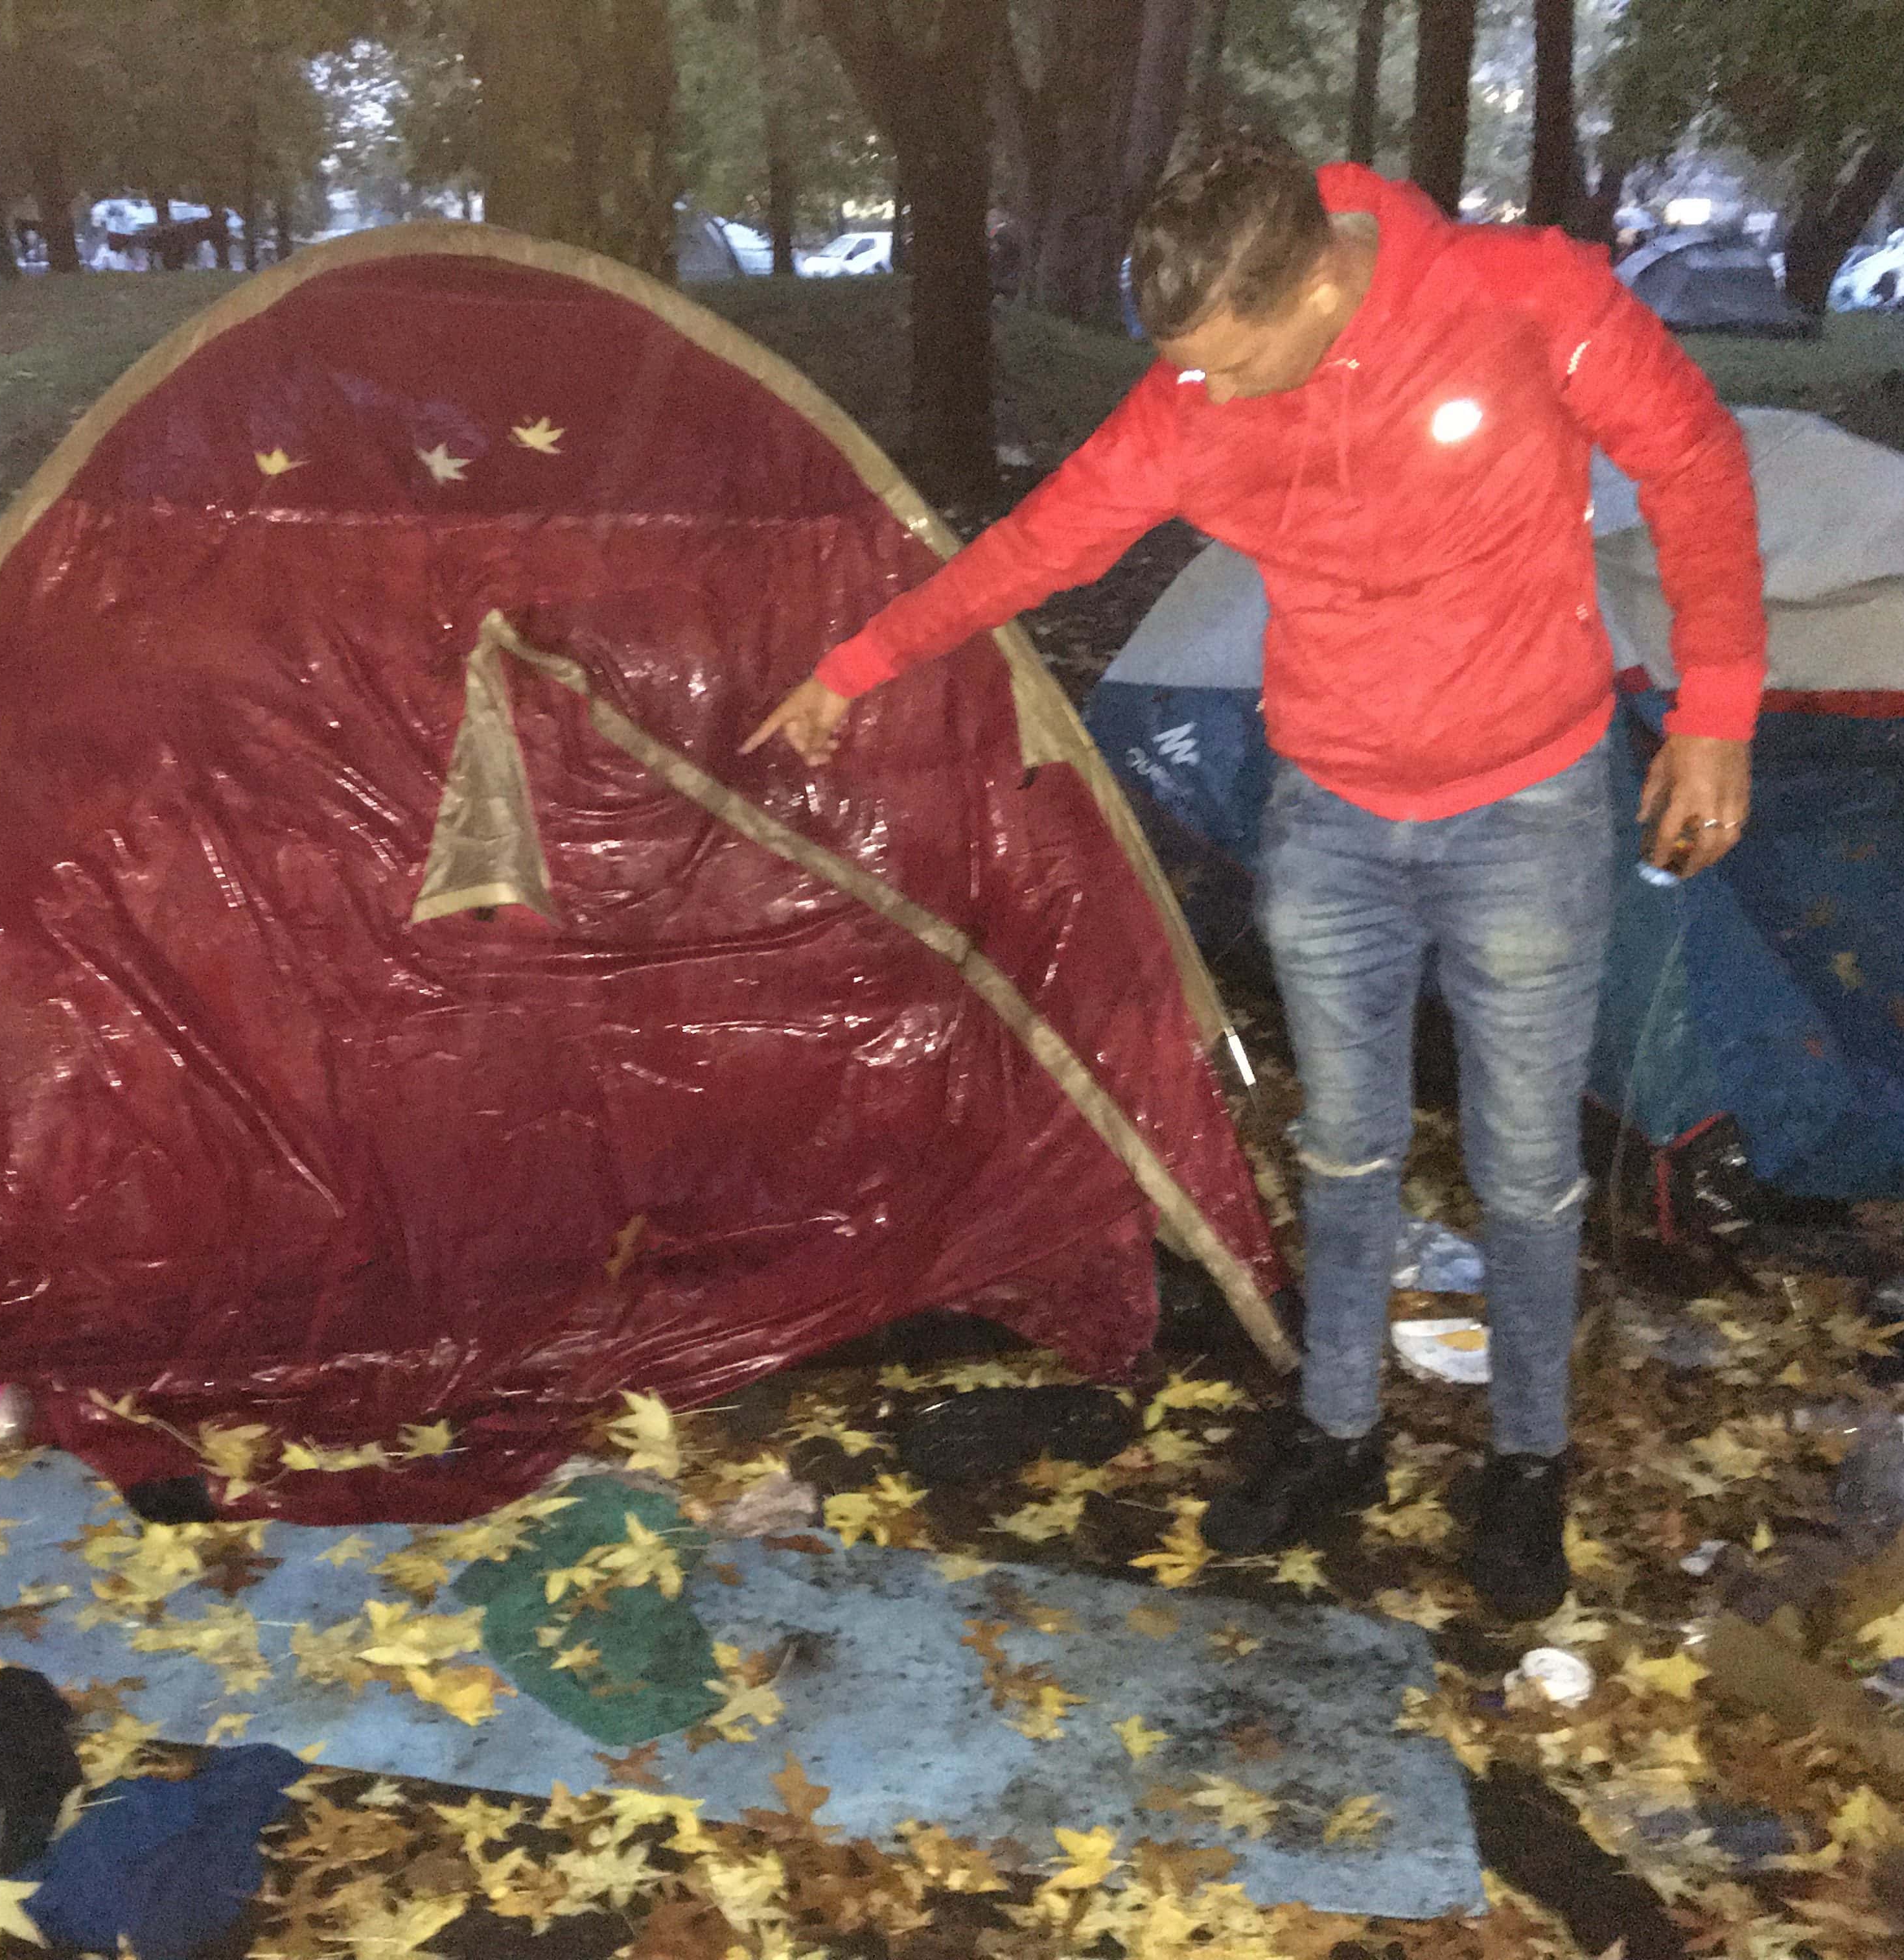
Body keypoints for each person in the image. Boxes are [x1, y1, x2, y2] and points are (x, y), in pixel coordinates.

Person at [743, 133, 1765, 1620]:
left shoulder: (1520, 296)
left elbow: (1692, 456)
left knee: (1529, 1170)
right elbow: (1040, 547)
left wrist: (1719, 714)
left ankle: (1525, 1463)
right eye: (1186, 371)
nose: (1201, 396)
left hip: (1529, 802)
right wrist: (859, 665)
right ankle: (1338, 1431)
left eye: (1230, 361)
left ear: (1315, 284)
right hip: (1331, 818)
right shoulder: (1190, 402)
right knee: (1344, 1149)